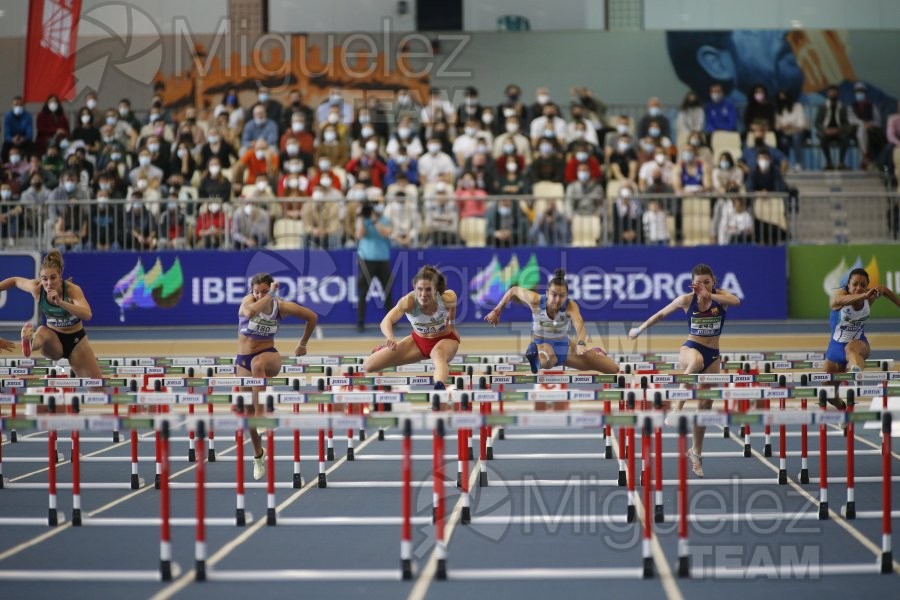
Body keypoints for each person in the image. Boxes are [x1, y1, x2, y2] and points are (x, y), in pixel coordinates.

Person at [628, 264, 741, 478]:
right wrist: (640, 329)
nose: (704, 286)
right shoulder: (686, 300)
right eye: (699, 283)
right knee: (696, 361)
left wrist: (711, 295)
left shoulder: (721, 297)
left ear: (713, 282)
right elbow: (661, 314)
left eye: (707, 282)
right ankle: (676, 408)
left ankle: (696, 451)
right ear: (693, 284)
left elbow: (736, 301)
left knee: (705, 404)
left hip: (714, 355)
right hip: (690, 349)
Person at [237, 273, 318, 480]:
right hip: (243, 361)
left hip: (269, 358)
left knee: (258, 364)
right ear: (251, 291)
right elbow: (249, 313)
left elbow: (312, 317)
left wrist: (303, 343)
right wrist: (269, 294)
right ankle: (258, 454)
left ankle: (262, 413)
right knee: (247, 414)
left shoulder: (280, 307)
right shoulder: (248, 302)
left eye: (264, 291)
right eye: (257, 291)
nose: (259, 295)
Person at [484, 269, 618, 375]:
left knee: (613, 369)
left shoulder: (571, 306)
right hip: (541, 344)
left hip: (565, 347)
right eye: (554, 295)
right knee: (549, 356)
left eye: (562, 296)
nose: (558, 300)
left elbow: (580, 325)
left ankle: (593, 351)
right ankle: (535, 361)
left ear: (567, 295)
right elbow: (513, 290)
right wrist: (497, 310)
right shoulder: (535, 300)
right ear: (547, 293)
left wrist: (581, 344)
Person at [0, 250, 102, 380]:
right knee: (42, 331)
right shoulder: (37, 288)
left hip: (77, 341)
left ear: (60, 276)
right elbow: (15, 281)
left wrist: (61, 303)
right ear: (40, 279)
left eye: (53, 278)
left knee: (98, 388)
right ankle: (30, 343)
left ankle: (32, 342)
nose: (49, 283)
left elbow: (87, 314)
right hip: (53, 341)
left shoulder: (71, 290)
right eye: (44, 279)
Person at [362, 266, 460, 390]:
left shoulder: (447, 299)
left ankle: (439, 388)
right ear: (414, 288)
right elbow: (386, 321)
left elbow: (453, 307)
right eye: (420, 289)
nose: (423, 294)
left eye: (428, 290)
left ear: (436, 290)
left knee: (438, 354)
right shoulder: (408, 302)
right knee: (368, 366)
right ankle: (383, 349)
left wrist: (452, 325)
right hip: (418, 342)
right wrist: (390, 337)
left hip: (445, 340)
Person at [824, 268, 900, 377]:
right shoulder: (840, 294)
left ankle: (856, 373)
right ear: (848, 285)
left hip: (859, 345)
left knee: (851, 348)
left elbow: (884, 290)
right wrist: (864, 296)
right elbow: (837, 301)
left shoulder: (870, 297)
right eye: (854, 284)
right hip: (835, 348)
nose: (858, 288)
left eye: (863, 285)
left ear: (867, 286)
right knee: (827, 388)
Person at [355, 199, 394, 333]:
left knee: (387, 291)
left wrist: (374, 220)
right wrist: (360, 216)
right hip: (366, 259)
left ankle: (391, 322)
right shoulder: (363, 219)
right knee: (363, 292)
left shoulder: (385, 219)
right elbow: (360, 234)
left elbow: (385, 232)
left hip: (383, 259)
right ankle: (360, 322)